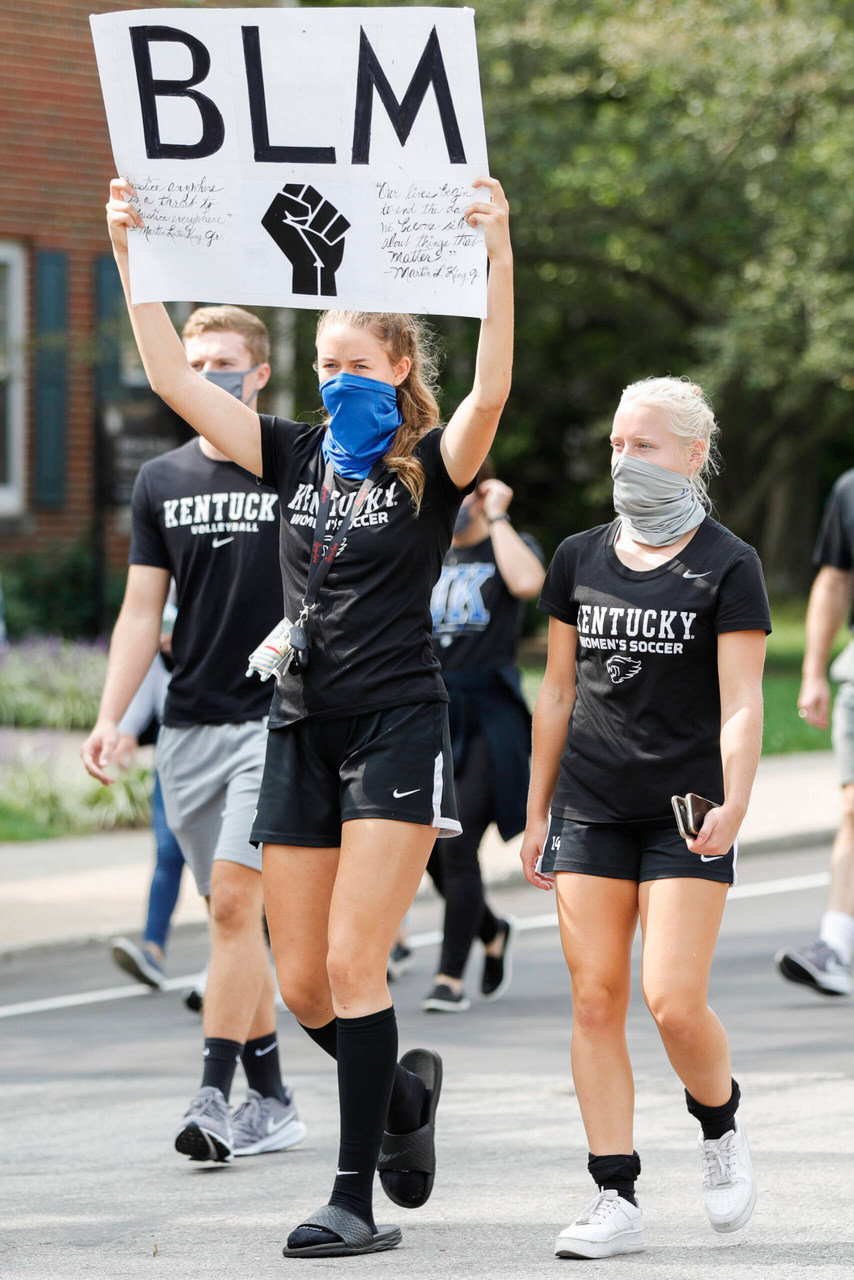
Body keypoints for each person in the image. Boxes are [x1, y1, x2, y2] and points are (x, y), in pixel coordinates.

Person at [102, 172, 512, 1258]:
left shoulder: (425, 466)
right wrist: (130, 252)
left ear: (397, 368)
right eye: (323, 362)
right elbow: (167, 378)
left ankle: (353, 1198)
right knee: (294, 981)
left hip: (394, 723)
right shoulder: (287, 452)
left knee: (347, 962)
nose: (336, 379)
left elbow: (492, 392)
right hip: (295, 721)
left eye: (354, 363)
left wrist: (497, 256)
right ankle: (402, 1101)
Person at [521, 377, 771, 1259]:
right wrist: (534, 808)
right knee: (595, 1000)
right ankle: (614, 1195)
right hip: (590, 806)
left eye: (646, 446)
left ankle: (720, 1123)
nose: (626, 461)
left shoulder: (728, 564)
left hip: (685, 811)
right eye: (618, 445)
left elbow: (743, 703)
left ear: (693, 455)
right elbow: (556, 691)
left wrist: (737, 801)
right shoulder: (578, 556)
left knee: (670, 1000)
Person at [82, 299, 306, 1164]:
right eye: (195, 358)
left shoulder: (288, 463)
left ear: (257, 373)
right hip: (189, 726)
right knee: (229, 923)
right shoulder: (161, 480)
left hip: (271, 718)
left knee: (237, 906)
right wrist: (114, 717)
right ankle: (276, 1098)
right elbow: (143, 612)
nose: (207, 372)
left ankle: (214, 1095)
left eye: (223, 361)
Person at [423, 460, 544, 1011]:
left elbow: (529, 584)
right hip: (428, 713)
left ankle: (449, 977)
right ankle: (492, 930)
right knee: (425, 848)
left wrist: (498, 517)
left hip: (486, 712)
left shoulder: (506, 544)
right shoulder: (423, 547)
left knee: (458, 842)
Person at [776, 473, 854, 996]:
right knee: (853, 809)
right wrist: (812, 671)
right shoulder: (849, 489)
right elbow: (833, 580)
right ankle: (838, 946)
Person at [110, 645, 186, 989]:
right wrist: (125, 732)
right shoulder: (158, 654)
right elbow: (143, 687)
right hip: (173, 760)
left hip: (234, 753)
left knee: (230, 866)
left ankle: (236, 962)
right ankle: (153, 951)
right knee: (168, 853)